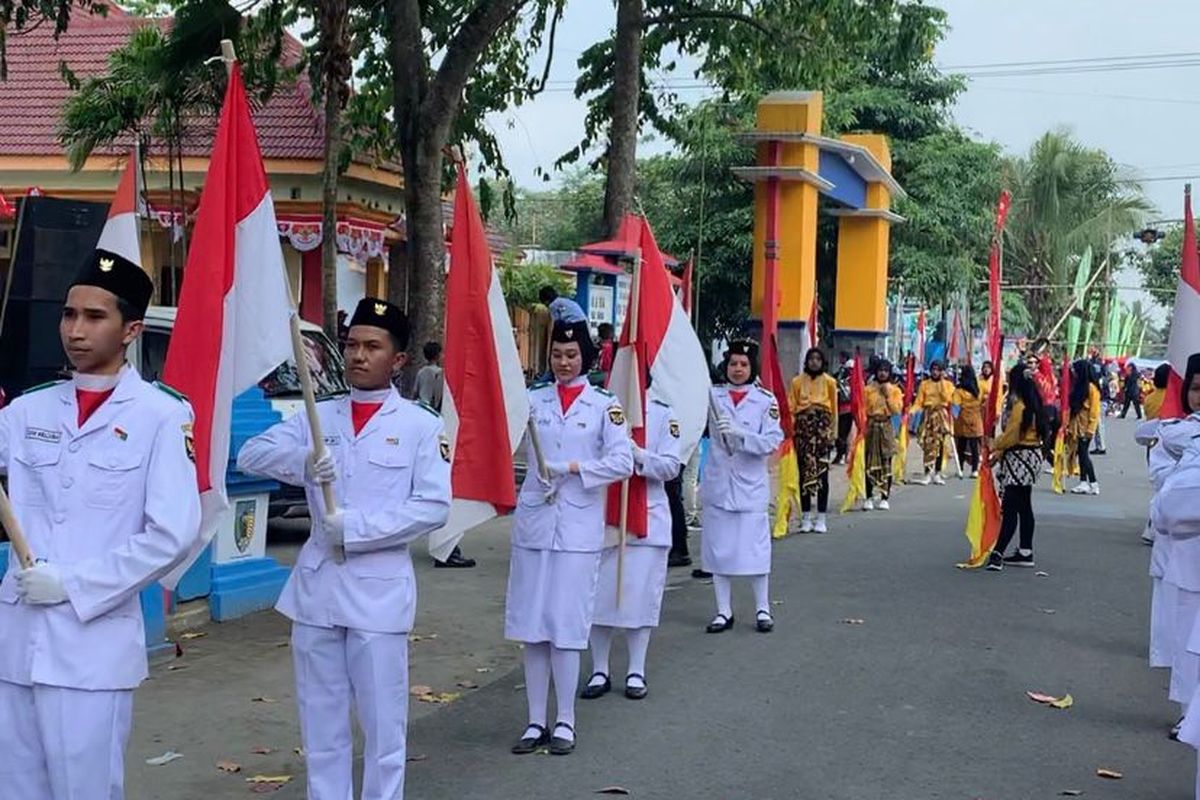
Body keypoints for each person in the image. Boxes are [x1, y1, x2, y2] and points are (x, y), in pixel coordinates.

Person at [0, 248, 202, 800]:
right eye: (69, 315)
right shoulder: (26, 412)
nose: (75, 330)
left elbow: (172, 533)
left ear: (131, 328)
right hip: (16, 642)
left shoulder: (161, 416)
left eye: (95, 317)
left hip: (91, 647)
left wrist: (74, 583)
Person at [237, 297, 452, 800]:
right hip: (318, 591)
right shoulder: (320, 415)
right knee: (322, 726)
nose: (358, 355)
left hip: (378, 593)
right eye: (352, 344)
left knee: (382, 729)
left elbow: (432, 507)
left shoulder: (420, 426)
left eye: (372, 346)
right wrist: (305, 462)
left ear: (398, 360)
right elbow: (251, 453)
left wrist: (357, 527)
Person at [507, 319, 633, 757]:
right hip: (536, 521)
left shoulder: (604, 405)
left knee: (565, 626)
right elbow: (506, 443)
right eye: (557, 355)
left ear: (586, 357)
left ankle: (565, 720)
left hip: (578, 526)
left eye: (571, 355)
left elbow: (623, 460)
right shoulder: (531, 400)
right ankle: (534, 720)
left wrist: (576, 469)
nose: (563, 362)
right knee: (532, 625)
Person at [582, 394, 682, 702]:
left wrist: (637, 454)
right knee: (598, 598)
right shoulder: (600, 405)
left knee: (640, 599)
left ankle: (636, 670)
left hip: (647, 519)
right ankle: (600, 669)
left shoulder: (664, 413)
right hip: (602, 515)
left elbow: (670, 467)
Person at [700, 340, 785, 634]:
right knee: (717, 549)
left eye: (744, 364)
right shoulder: (712, 395)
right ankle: (723, 610)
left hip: (749, 485)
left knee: (755, 550)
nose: (738, 369)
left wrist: (742, 434)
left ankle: (762, 608)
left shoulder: (765, 400)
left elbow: (773, 441)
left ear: (752, 368)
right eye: (733, 364)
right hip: (719, 482)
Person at [1149, 354, 1200, 733]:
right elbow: (1168, 501)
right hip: (1187, 554)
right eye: (1196, 389)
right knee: (1188, 645)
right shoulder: (1176, 433)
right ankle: (1189, 716)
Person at [410, 341, 474, 569]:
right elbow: (441, 402)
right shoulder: (440, 375)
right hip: (438, 426)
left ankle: (445, 544)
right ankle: (448, 546)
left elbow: (416, 395)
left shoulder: (420, 372)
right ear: (439, 354)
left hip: (421, 420)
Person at [986, 362, 1047, 570]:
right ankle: (1025, 551)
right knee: (1024, 505)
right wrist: (998, 453)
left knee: (1010, 506)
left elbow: (1012, 436)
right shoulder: (1036, 403)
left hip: (1019, 458)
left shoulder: (1020, 406)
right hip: (1031, 457)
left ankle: (997, 553)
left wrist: (993, 445)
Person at [787, 348, 838, 533]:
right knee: (804, 473)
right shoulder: (797, 382)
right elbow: (791, 408)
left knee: (822, 474)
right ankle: (806, 517)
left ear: (822, 362)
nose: (814, 362)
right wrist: (790, 432)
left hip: (822, 431)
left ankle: (821, 518)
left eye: (818, 358)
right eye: (811, 358)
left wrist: (834, 434)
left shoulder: (831, 382)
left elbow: (834, 410)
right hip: (803, 432)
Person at [863, 360, 903, 510]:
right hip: (872, 427)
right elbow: (863, 409)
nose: (883, 373)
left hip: (886, 427)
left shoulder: (895, 390)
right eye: (880, 370)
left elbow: (896, 410)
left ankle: (884, 496)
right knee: (869, 461)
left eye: (886, 370)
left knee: (886, 461)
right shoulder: (868, 390)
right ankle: (868, 496)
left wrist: (887, 396)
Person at [910, 360, 955, 485]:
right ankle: (927, 472)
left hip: (941, 415)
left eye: (938, 369)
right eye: (933, 369)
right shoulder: (924, 384)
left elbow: (949, 399)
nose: (935, 372)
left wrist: (941, 385)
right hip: (928, 416)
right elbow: (919, 401)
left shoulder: (948, 385)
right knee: (928, 445)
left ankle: (938, 472)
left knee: (940, 444)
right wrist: (912, 411)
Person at [1066, 359, 1102, 496]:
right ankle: (1087, 483)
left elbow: (1094, 411)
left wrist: (1091, 430)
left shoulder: (1092, 388)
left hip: (1085, 427)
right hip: (1078, 425)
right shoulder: (1080, 386)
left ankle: (1090, 483)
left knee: (1083, 454)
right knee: (1081, 454)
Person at [952, 364, 984, 477]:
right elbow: (982, 400)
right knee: (975, 446)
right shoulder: (978, 388)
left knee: (961, 445)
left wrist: (952, 418)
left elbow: (955, 405)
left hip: (962, 420)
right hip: (975, 418)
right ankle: (974, 470)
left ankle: (960, 468)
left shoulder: (959, 390)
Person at [412, 341, 444, 411]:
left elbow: (415, 392)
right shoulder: (440, 373)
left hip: (420, 406)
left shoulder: (421, 371)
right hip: (432, 408)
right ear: (437, 355)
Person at [833, 352, 853, 464]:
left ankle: (842, 455)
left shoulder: (845, 373)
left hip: (845, 408)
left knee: (842, 433)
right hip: (845, 408)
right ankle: (843, 455)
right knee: (844, 433)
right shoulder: (845, 371)